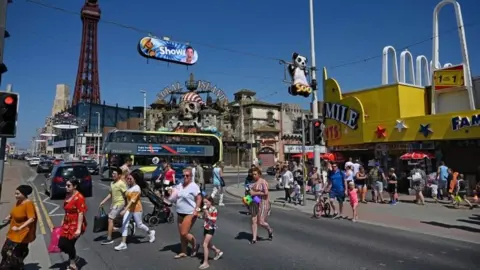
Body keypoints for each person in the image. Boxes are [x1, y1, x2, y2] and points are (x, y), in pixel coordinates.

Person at [115, 169, 155, 251]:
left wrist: (124, 210)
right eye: (128, 178)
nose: (128, 180)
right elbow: (127, 199)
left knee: (139, 225)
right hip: (129, 209)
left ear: (135, 180)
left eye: (130, 179)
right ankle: (123, 243)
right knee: (124, 224)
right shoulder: (129, 187)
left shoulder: (137, 188)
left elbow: (132, 201)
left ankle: (150, 233)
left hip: (137, 209)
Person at [0, 185, 37, 269]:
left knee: (13, 255)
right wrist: (9, 216)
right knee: (4, 251)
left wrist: (19, 228)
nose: (15, 195)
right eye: (15, 193)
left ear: (24, 194)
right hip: (13, 233)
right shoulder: (19, 202)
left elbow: (31, 219)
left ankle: (13, 267)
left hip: (22, 235)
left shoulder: (28, 204)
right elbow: (14, 211)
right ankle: (16, 266)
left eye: (17, 194)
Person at [169, 167, 202, 259]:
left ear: (191, 176)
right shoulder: (180, 185)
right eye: (183, 175)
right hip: (180, 212)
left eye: (187, 175)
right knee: (181, 235)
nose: (185, 177)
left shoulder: (194, 186)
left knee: (184, 233)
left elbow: (199, 198)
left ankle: (195, 245)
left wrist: (197, 210)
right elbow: (174, 195)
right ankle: (184, 251)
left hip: (190, 213)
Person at [58, 178, 88, 270]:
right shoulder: (67, 195)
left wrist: (78, 229)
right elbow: (66, 209)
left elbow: (80, 213)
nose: (66, 187)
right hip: (67, 223)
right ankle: (75, 258)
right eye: (66, 185)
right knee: (61, 244)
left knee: (69, 244)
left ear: (75, 186)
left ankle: (72, 264)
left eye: (68, 186)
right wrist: (63, 219)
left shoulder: (79, 197)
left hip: (75, 224)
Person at [99, 167, 127, 245]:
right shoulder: (112, 183)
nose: (113, 174)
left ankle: (109, 238)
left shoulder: (121, 183)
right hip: (114, 204)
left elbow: (126, 195)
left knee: (110, 219)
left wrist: (126, 206)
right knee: (115, 219)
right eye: (112, 173)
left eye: (115, 173)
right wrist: (103, 201)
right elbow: (111, 194)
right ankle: (128, 226)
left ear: (119, 175)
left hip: (120, 203)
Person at [247, 167, 273, 244]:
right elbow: (250, 194)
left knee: (261, 222)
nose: (254, 175)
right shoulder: (252, 182)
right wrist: (248, 200)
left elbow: (266, 193)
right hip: (255, 202)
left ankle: (270, 230)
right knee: (253, 220)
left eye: (255, 174)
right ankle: (254, 238)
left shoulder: (263, 182)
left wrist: (255, 193)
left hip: (264, 203)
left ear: (259, 174)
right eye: (253, 174)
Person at [199, 195, 223, 269]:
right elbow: (204, 217)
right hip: (206, 227)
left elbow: (213, 220)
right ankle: (218, 251)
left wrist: (207, 213)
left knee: (205, 244)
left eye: (206, 202)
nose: (205, 204)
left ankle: (206, 263)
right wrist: (199, 215)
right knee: (208, 244)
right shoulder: (206, 209)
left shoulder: (214, 209)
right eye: (204, 203)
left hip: (211, 228)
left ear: (210, 201)